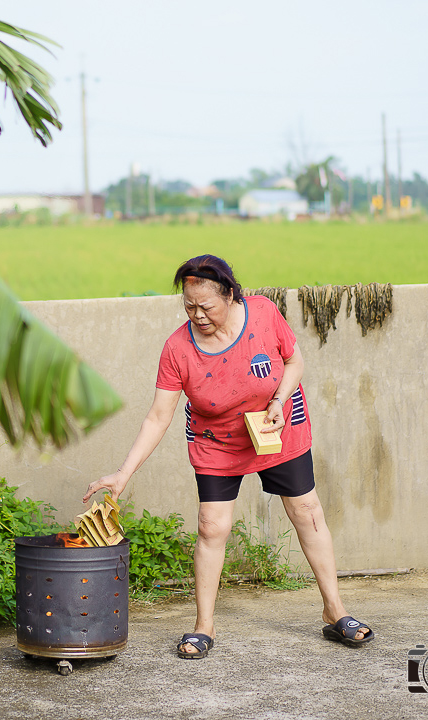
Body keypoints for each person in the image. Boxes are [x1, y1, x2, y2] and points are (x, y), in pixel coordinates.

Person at [82, 254, 374, 658]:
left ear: (231, 296)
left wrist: (279, 399)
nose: (197, 315)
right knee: (211, 527)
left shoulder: (263, 313)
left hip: (276, 426)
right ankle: (204, 626)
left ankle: (334, 610)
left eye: (206, 306)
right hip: (216, 439)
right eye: (189, 306)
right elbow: (157, 416)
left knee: (307, 512)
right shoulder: (178, 349)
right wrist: (122, 474)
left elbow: (294, 361)